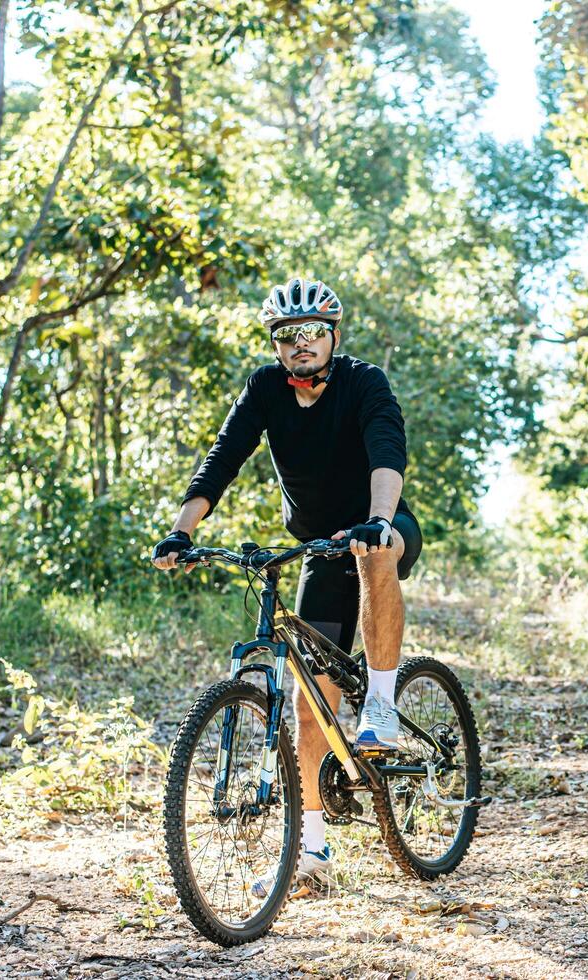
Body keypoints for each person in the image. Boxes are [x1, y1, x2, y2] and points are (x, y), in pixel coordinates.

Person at [150, 276, 422, 895]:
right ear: (277, 344)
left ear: (332, 337)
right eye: (287, 336)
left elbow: (387, 451)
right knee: (306, 706)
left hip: (379, 525)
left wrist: (379, 520)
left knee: (374, 556)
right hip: (316, 546)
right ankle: (312, 852)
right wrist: (179, 533)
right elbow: (223, 456)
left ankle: (381, 703)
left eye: (312, 333)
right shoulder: (265, 390)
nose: (300, 345)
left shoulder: (364, 382)